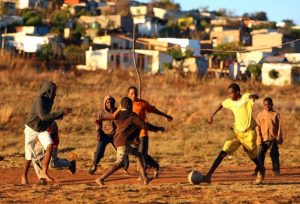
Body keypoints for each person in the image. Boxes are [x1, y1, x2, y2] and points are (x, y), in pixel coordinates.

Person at [203, 83, 265, 185]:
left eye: (231, 93)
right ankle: (208, 176)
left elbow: (253, 96)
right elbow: (221, 104)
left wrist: (254, 96)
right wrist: (211, 115)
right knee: (223, 152)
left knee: (252, 156)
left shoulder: (245, 97)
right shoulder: (230, 102)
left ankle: (261, 169)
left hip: (249, 133)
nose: (229, 95)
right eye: (228, 93)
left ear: (237, 92)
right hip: (236, 133)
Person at [21, 81, 72, 185]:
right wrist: (61, 112)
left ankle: (43, 172)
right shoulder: (39, 100)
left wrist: (61, 114)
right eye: (54, 91)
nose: (55, 94)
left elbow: (46, 117)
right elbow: (43, 116)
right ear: (48, 91)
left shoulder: (49, 101)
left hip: (41, 128)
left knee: (50, 145)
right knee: (29, 155)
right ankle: (24, 176)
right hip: (31, 128)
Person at [95, 97, 149, 186]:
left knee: (138, 154)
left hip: (119, 141)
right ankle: (100, 178)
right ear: (129, 105)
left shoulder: (120, 114)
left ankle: (145, 177)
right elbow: (143, 125)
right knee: (119, 163)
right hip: (122, 142)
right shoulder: (131, 115)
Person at [127, 86, 173, 178]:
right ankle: (149, 168)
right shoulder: (125, 105)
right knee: (139, 155)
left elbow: (154, 110)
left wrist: (165, 115)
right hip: (132, 135)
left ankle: (148, 170)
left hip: (142, 133)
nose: (134, 95)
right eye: (132, 93)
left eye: (135, 93)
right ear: (128, 94)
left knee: (142, 155)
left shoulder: (142, 103)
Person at [88, 95, 129, 175]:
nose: (109, 103)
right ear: (105, 103)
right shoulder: (101, 112)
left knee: (122, 150)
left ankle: (125, 166)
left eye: (111, 102)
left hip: (115, 135)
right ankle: (94, 165)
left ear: (113, 103)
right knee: (99, 151)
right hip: (104, 135)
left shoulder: (117, 111)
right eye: (107, 102)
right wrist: (98, 133)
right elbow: (98, 123)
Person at [253, 97, 283, 176]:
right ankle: (259, 170)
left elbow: (279, 127)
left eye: (269, 104)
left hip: (273, 139)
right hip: (263, 139)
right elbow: (257, 127)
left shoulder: (276, 114)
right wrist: (259, 139)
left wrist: (279, 137)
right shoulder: (260, 115)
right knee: (260, 155)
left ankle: (276, 170)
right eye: (265, 105)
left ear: (272, 104)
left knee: (274, 154)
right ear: (263, 105)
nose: (267, 106)